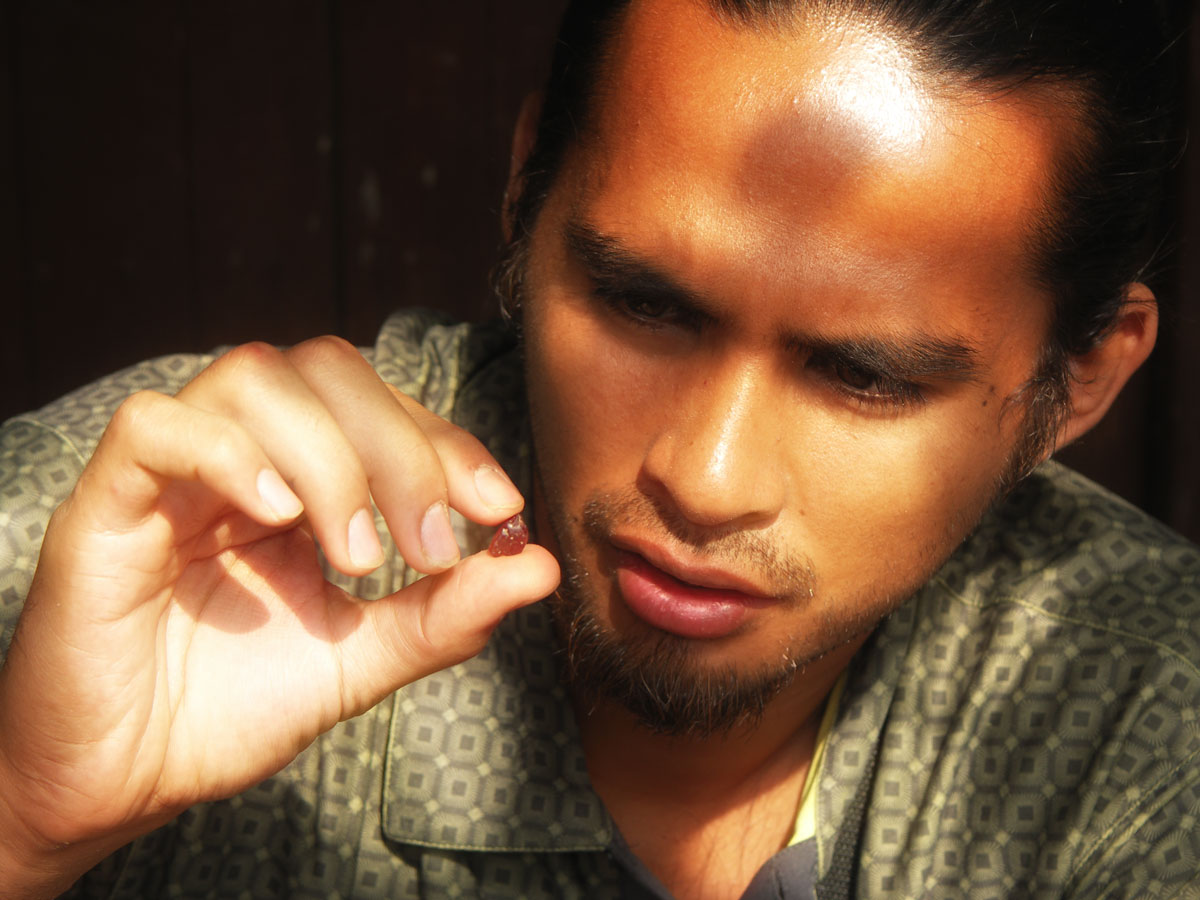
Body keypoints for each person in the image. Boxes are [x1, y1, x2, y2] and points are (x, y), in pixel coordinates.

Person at [0, 0, 1196, 897]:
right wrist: (27, 821)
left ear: (1079, 379)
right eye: (645, 306)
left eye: (865, 376)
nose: (706, 476)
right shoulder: (131, 560)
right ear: (527, 198)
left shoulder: (1150, 722)